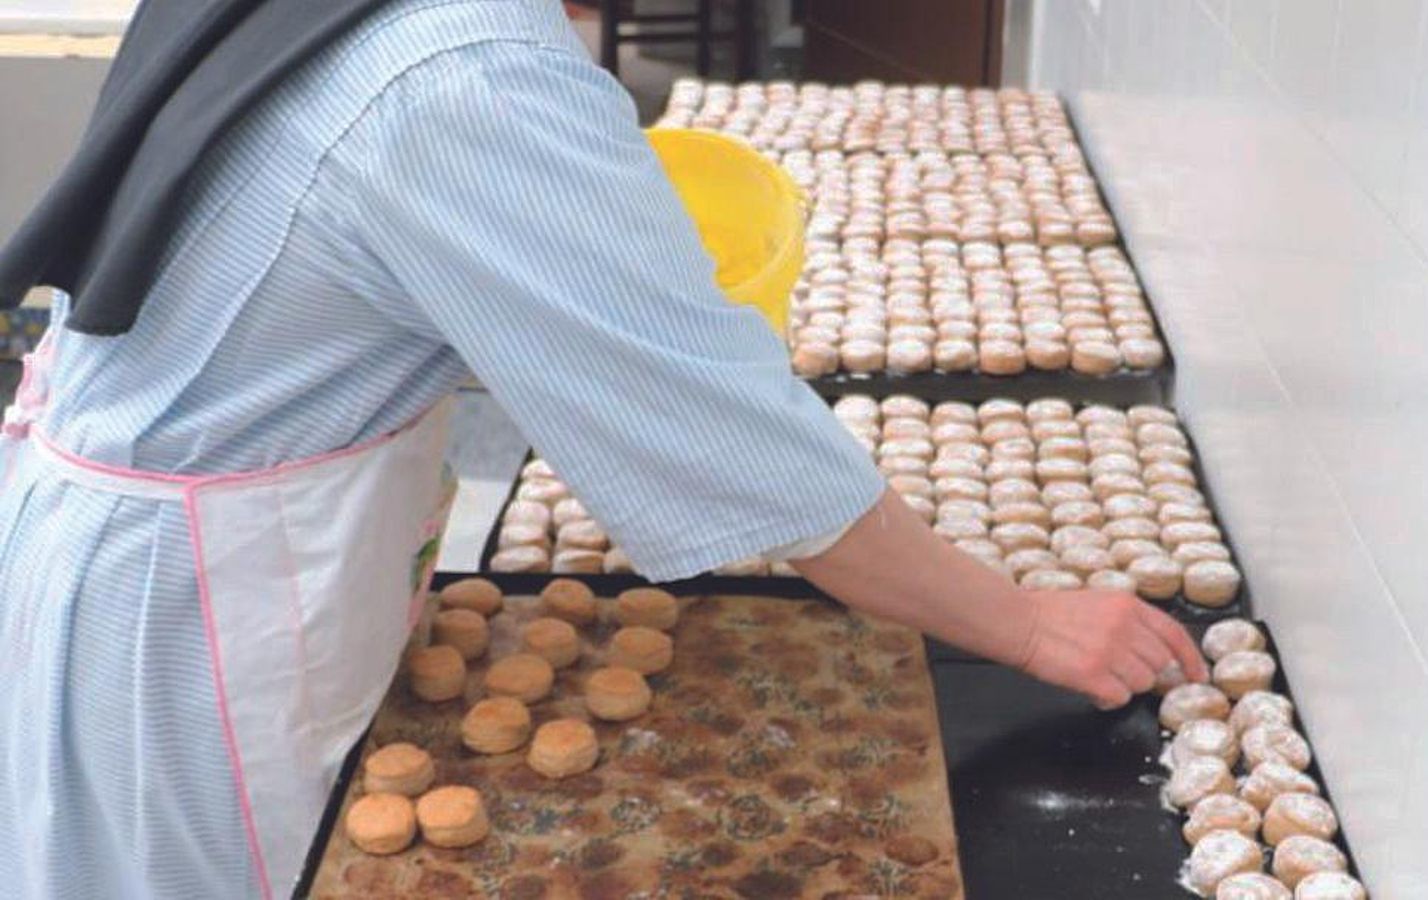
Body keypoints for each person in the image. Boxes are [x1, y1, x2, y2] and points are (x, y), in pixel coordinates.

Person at [0, 0, 1206, 896]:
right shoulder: (465, 78)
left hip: (180, 520)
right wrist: (1029, 624)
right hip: (194, 624)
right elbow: (731, 442)